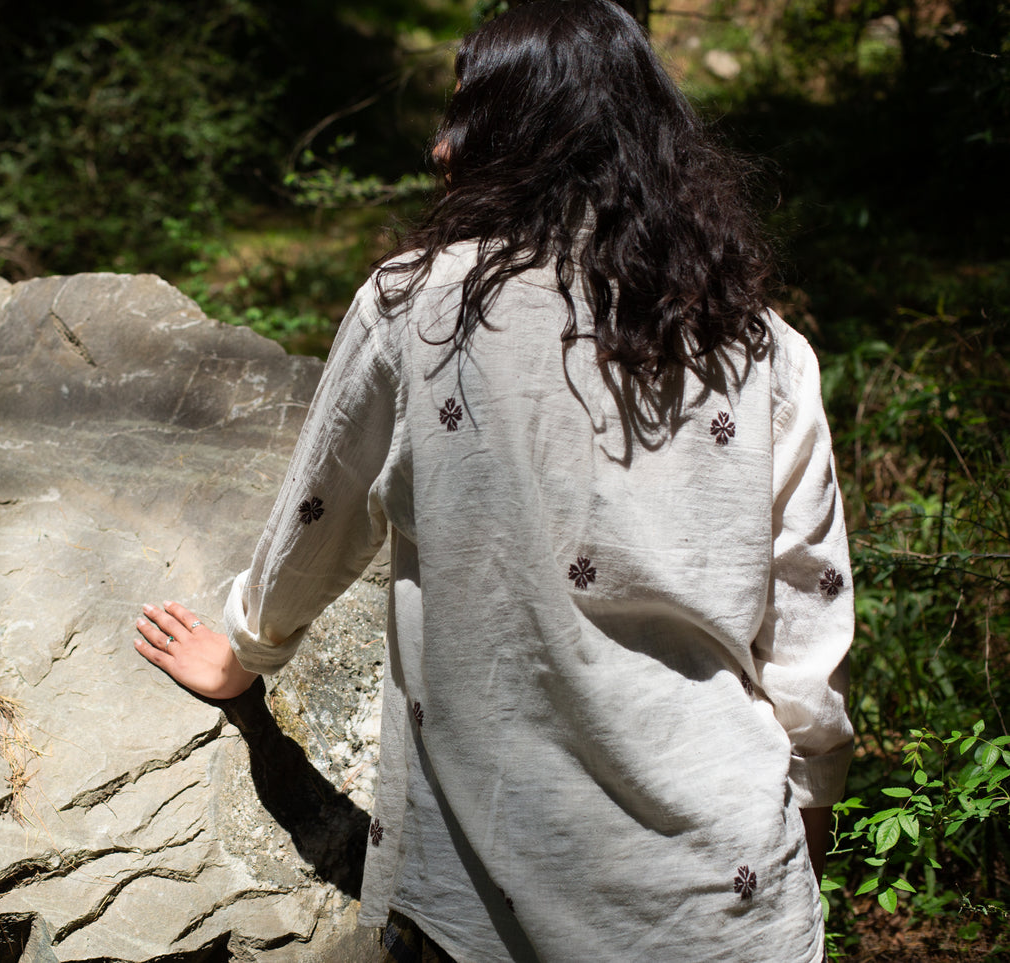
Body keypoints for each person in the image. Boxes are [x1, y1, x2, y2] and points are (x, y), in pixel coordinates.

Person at [133, 2, 854, 960]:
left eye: (464, 114)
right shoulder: (759, 344)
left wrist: (243, 648)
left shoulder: (414, 308)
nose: (439, 146)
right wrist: (809, 800)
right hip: (719, 893)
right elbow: (807, 605)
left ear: (521, 134)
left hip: (484, 900)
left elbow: (322, 515)